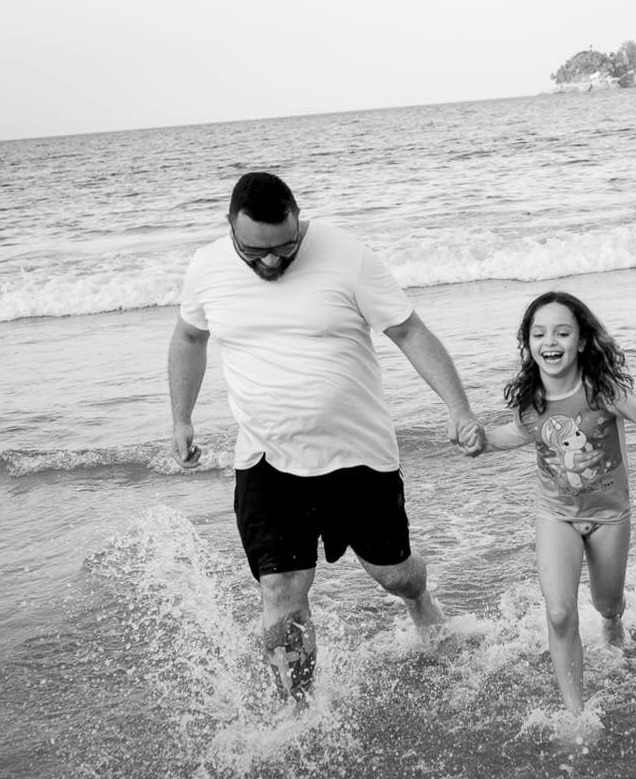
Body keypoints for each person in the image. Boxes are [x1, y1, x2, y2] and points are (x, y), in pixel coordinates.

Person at [167, 172, 484, 703]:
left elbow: (408, 330)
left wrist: (458, 408)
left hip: (358, 457)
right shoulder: (205, 268)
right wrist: (181, 418)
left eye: (285, 247)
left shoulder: (347, 255)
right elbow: (189, 337)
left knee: (393, 575)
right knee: (281, 593)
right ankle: (298, 710)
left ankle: (420, 601)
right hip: (267, 461)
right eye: (254, 252)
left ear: (298, 220)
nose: (270, 261)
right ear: (230, 230)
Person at [471, 291, 636, 715]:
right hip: (555, 514)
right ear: (528, 344)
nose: (551, 341)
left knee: (607, 603)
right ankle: (575, 716)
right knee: (561, 613)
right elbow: (519, 434)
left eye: (562, 332)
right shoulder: (532, 401)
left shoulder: (604, 392)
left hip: (609, 517)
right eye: (539, 333)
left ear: (581, 341)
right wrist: (481, 440)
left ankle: (613, 622)